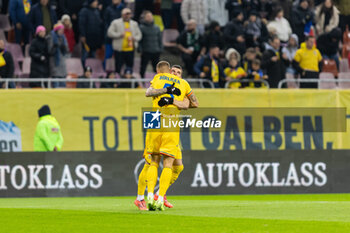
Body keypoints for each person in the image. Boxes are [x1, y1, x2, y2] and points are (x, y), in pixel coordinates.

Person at [134, 64, 198, 211]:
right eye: (173, 71)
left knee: (178, 166)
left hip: (172, 122)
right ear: (168, 73)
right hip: (155, 117)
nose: (175, 73)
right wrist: (167, 90)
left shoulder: (183, 87)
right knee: (150, 162)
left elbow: (190, 104)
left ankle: (158, 194)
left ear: (181, 76)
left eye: (178, 72)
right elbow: (149, 92)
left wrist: (173, 101)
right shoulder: (161, 80)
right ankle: (141, 198)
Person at [108, 8, 142, 75]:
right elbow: (109, 33)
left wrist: (134, 38)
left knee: (129, 67)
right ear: (122, 14)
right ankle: (118, 82)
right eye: (126, 14)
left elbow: (139, 35)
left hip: (130, 49)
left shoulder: (134, 23)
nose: (127, 15)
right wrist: (119, 35)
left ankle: (129, 82)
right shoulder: (115, 22)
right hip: (119, 49)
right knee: (118, 67)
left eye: (129, 14)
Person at [79, 0, 103, 66]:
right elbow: (81, 24)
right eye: (95, 1)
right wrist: (83, 35)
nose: (97, 3)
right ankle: (84, 70)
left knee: (93, 55)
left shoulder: (96, 11)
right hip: (87, 38)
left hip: (95, 38)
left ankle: (91, 71)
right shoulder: (84, 11)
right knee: (85, 55)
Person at [139, 11, 163, 79]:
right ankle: (142, 81)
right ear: (144, 18)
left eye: (151, 16)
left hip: (156, 51)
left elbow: (160, 39)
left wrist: (161, 48)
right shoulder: (141, 27)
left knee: (157, 68)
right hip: (146, 51)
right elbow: (140, 40)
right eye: (148, 16)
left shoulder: (157, 27)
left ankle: (158, 82)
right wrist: (140, 50)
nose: (150, 18)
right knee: (143, 67)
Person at [47, 23, 68, 88]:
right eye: (60, 30)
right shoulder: (51, 37)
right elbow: (49, 51)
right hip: (54, 62)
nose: (62, 31)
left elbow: (66, 50)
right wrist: (54, 47)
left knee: (63, 83)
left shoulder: (63, 38)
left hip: (62, 62)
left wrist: (64, 47)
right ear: (57, 30)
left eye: (62, 30)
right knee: (55, 81)